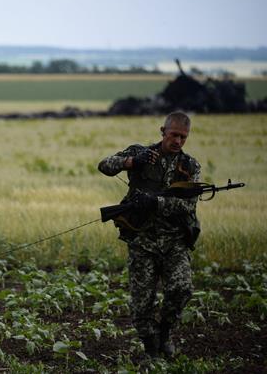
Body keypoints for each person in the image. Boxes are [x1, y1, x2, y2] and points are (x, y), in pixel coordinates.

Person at [97, 111, 201, 358]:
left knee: (181, 289)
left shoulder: (190, 166)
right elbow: (104, 166)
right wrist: (132, 162)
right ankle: (151, 348)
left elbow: (188, 206)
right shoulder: (141, 153)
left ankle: (165, 334)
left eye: (183, 137)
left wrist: (155, 202)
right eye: (174, 135)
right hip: (142, 240)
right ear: (162, 131)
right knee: (142, 303)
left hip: (174, 241)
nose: (177, 141)